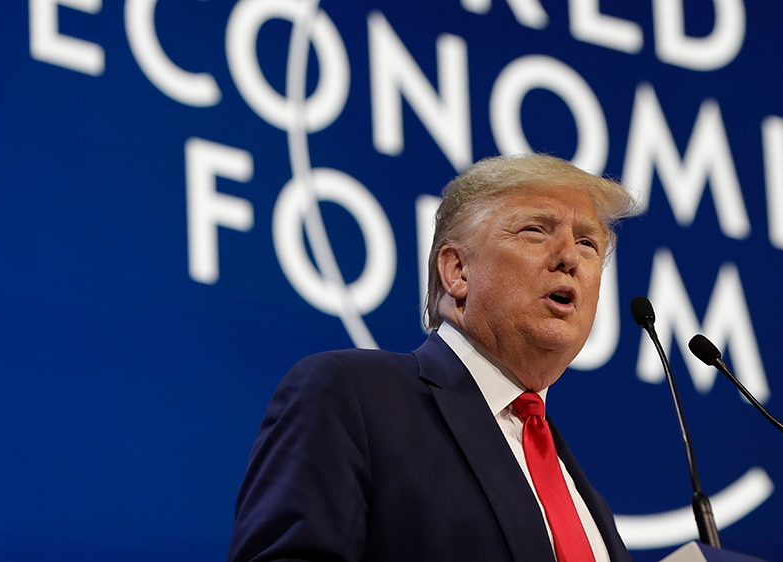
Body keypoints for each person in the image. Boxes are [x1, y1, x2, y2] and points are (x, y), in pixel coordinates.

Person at [228, 154, 637, 562]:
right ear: (457, 271)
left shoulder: (587, 501)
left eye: (588, 243)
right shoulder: (354, 396)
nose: (569, 257)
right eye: (535, 230)